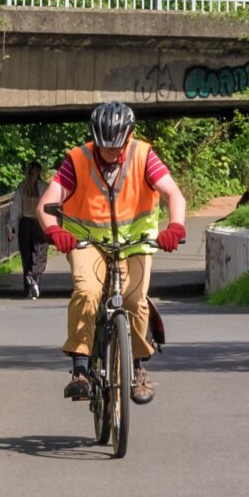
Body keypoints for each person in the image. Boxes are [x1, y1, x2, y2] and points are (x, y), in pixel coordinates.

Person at [42, 100, 188, 406]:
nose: (111, 153)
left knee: (135, 300)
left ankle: (137, 368)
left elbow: (173, 194)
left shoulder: (144, 155)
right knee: (87, 291)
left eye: (117, 146)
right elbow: (47, 203)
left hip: (135, 243)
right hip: (87, 242)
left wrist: (175, 227)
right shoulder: (77, 159)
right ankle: (80, 369)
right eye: (104, 146)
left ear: (129, 135)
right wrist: (56, 231)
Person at [11, 159, 52, 300]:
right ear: (40, 171)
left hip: (25, 224)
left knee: (26, 255)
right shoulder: (45, 187)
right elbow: (49, 207)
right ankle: (35, 278)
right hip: (39, 224)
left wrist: (12, 226)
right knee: (40, 253)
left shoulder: (22, 187)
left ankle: (28, 285)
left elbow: (16, 208)